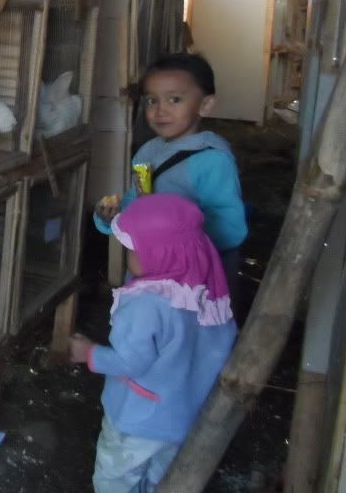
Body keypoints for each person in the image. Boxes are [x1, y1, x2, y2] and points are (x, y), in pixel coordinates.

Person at [71, 194, 237, 492]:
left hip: (139, 418)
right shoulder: (207, 293)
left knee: (115, 477)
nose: (128, 255)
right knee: (162, 478)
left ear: (157, 254)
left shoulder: (145, 304)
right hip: (184, 417)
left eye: (132, 249)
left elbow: (130, 362)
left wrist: (89, 353)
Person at [94, 52, 247, 305]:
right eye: (152, 100)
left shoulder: (213, 160)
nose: (160, 110)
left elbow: (231, 229)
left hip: (194, 285)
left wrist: (170, 235)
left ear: (205, 105)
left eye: (174, 99)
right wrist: (113, 218)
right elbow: (138, 200)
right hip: (149, 275)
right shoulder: (148, 152)